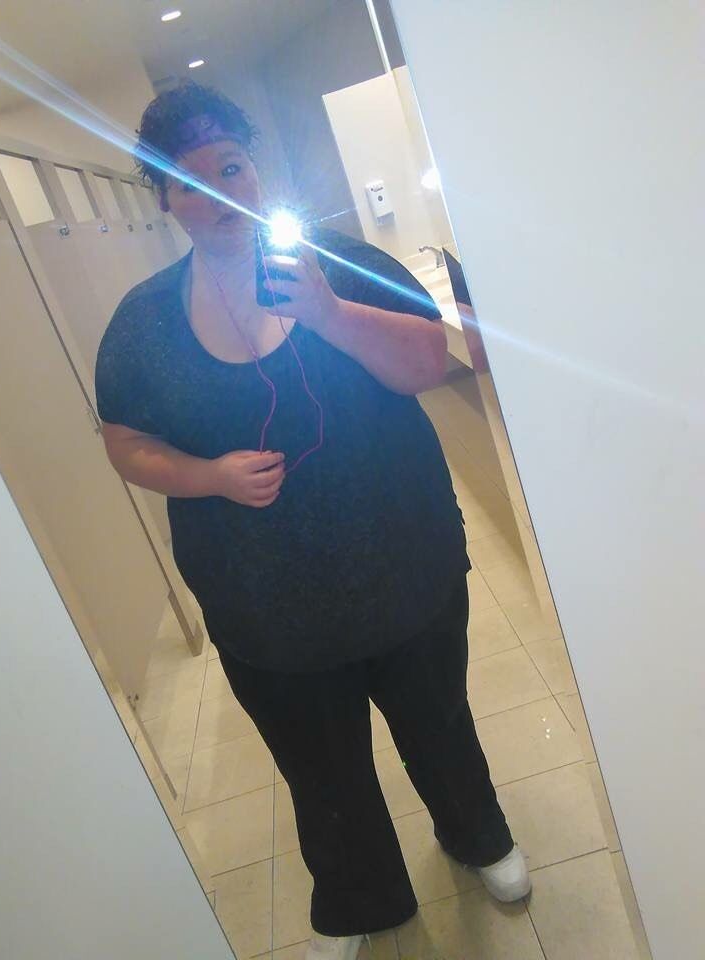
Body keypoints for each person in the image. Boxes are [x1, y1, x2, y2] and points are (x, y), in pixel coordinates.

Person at [95, 81, 530, 960]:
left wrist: (327, 312)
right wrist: (208, 477)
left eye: (231, 167)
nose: (218, 193)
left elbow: (429, 362)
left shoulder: (338, 261)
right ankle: (360, 898)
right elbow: (125, 442)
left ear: (255, 170)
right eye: (190, 181)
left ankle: (479, 836)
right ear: (167, 201)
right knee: (320, 769)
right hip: (268, 611)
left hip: (405, 569)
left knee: (439, 722)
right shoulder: (142, 324)